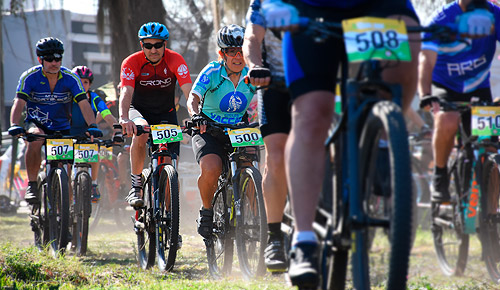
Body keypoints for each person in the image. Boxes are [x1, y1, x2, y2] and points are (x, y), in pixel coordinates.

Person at [261, 0, 495, 287]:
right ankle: (304, 241)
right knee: (311, 113)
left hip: (379, 5)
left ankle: (381, 138)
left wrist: (476, 8)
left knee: (402, 57)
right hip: (313, 7)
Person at [418, 0, 499, 204]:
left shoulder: (495, 14)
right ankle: (440, 175)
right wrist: (425, 94)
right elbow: (425, 60)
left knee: (490, 146)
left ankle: (488, 214)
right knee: (448, 120)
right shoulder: (441, 19)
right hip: (445, 85)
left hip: (478, 86)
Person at [8, 37, 102, 205]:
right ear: (40, 59)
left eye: (57, 58)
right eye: (49, 58)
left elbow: (83, 104)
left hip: (61, 127)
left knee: (64, 172)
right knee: (36, 137)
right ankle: (32, 184)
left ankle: (65, 214)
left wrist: (92, 125)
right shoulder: (29, 77)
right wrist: (14, 125)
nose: (54, 62)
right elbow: (19, 102)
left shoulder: (70, 78)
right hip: (37, 123)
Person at [187, 24, 257, 240]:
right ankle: (206, 211)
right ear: (222, 53)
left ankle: (258, 218)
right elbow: (193, 98)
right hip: (209, 129)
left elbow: (267, 99)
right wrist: (195, 115)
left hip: (239, 129)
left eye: (241, 51)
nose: (237, 56)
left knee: (252, 169)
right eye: (231, 52)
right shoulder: (212, 72)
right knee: (212, 167)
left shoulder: (251, 73)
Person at [118, 22, 193, 208]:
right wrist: (124, 117)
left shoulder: (176, 59)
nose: (153, 50)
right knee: (141, 132)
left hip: (165, 113)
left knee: (168, 161)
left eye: (158, 45)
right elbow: (126, 92)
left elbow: (188, 91)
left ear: (164, 45)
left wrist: (197, 115)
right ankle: (136, 185)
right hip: (139, 110)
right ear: (141, 45)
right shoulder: (131, 62)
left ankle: (169, 222)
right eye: (148, 45)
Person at [243, 0, 290, 273]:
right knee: (277, 155)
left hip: (318, 83)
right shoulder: (265, 3)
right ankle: (274, 237)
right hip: (276, 84)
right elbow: (252, 38)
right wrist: (256, 65)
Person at [70, 65, 122, 202]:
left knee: (95, 150)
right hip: (68, 135)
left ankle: (93, 184)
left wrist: (117, 130)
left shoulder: (94, 98)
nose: (82, 85)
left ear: (90, 84)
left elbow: (107, 115)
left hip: (88, 135)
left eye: (85, 82)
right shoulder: (66, 96)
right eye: (78, 81)